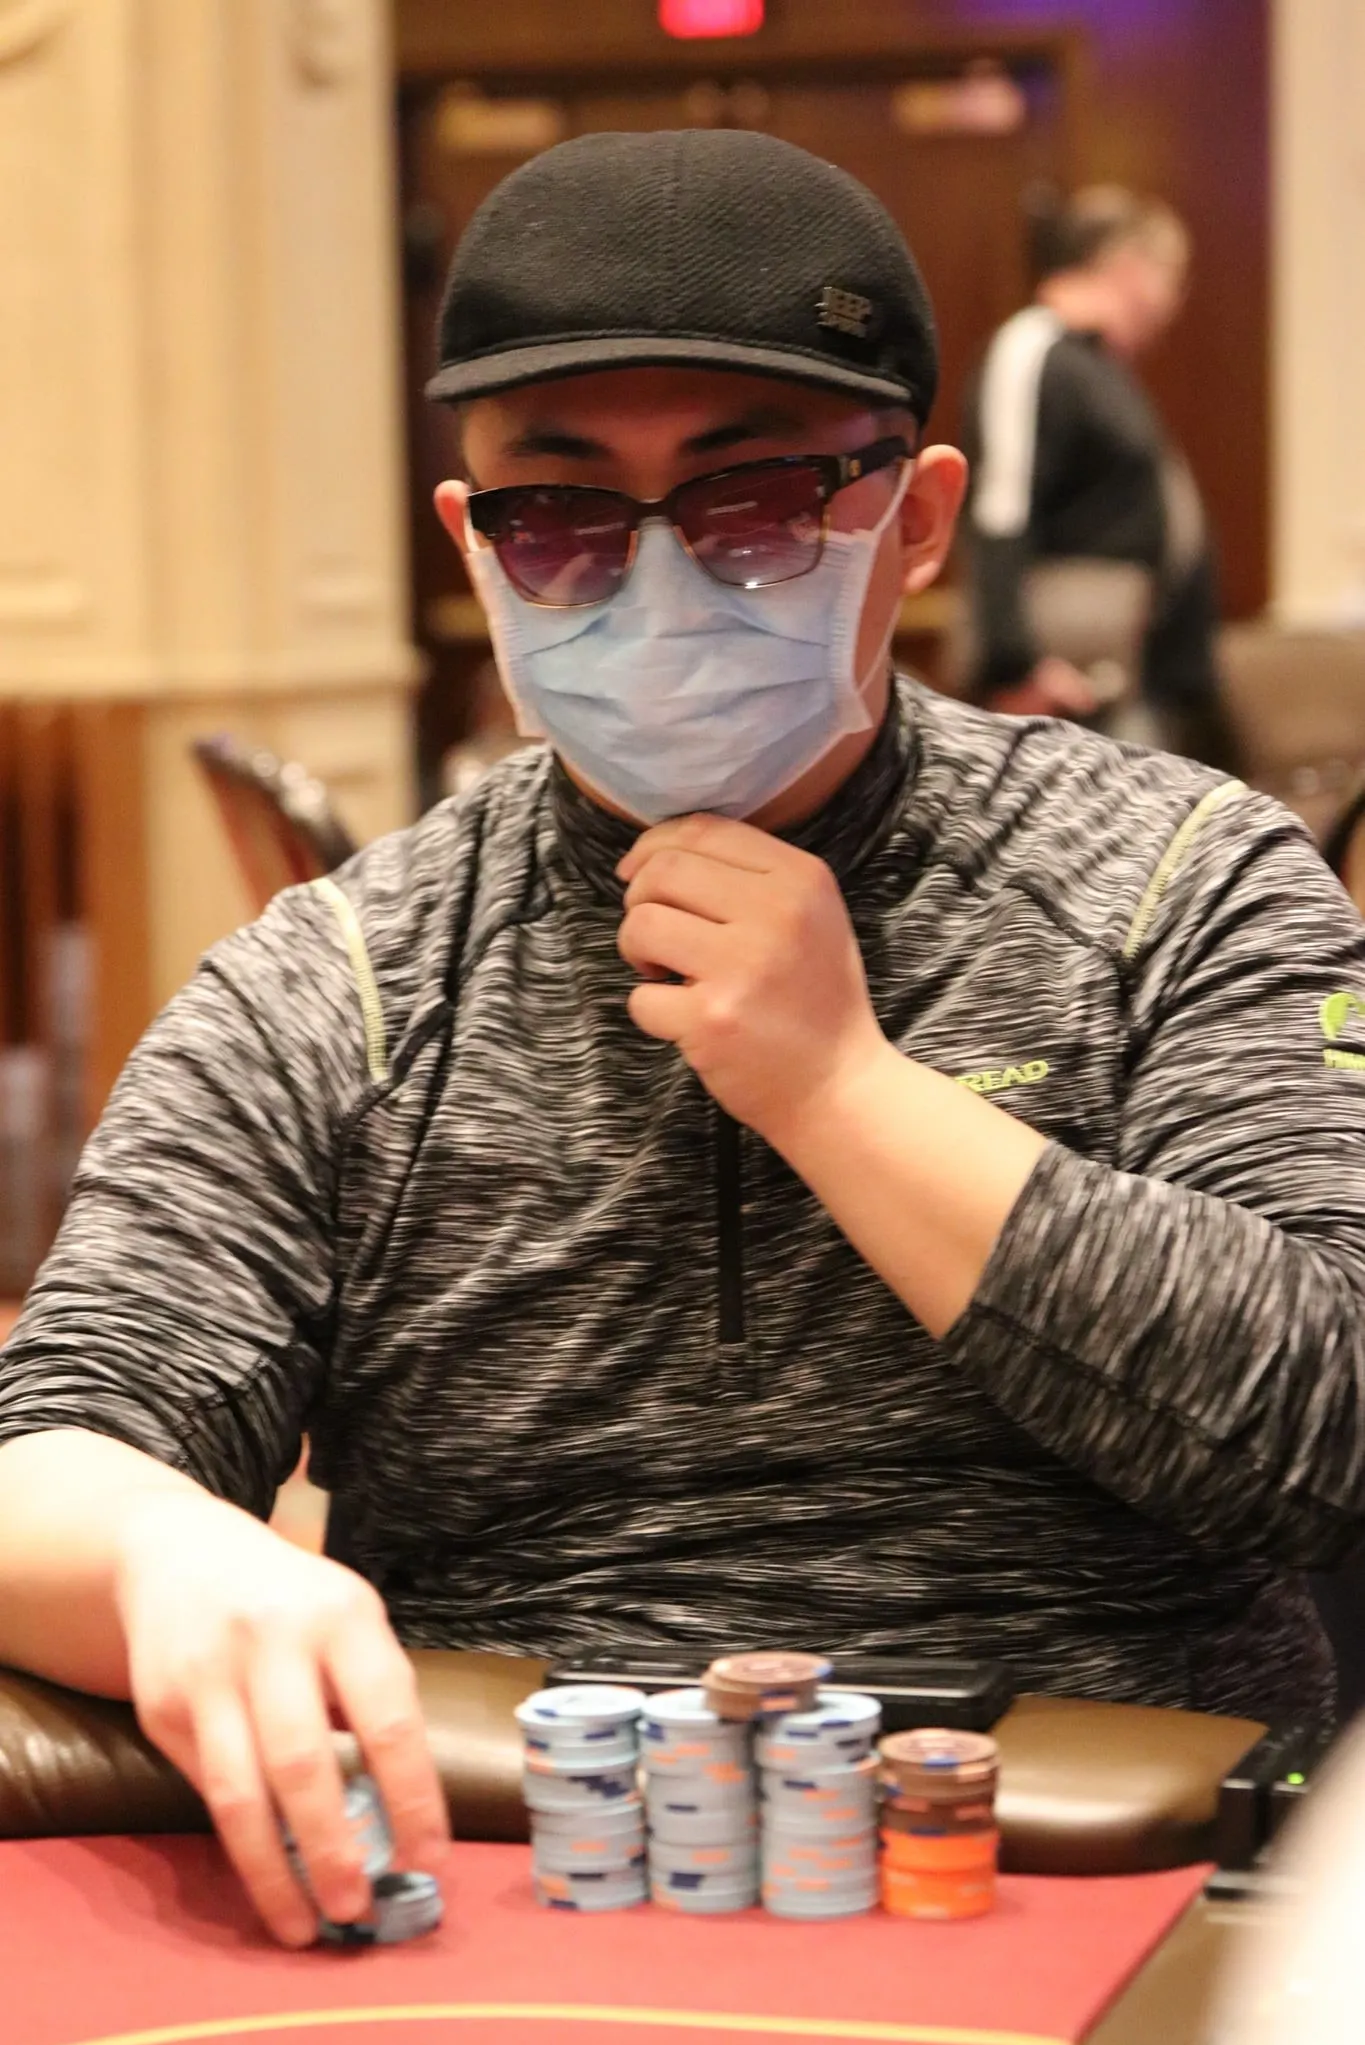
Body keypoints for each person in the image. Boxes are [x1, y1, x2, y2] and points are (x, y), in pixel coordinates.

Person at [1, 128, 1364, 1948]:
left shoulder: (1180, 880)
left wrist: (843, 1089)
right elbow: (55, 1447)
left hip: (1119, 1885)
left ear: (918, 518)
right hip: (509, 1889)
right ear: (473, 541)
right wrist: (161, 1551)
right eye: (561, 518)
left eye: (756, 502)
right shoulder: (342, 980)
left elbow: (1331, 1427)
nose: (657, 585)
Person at [960, 184, 1234, 764]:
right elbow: (1000, 508)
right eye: (1172, 278)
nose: (1173, 301)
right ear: (1132, 268)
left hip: (1129, 671)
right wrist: (1014, 664)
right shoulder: (1031, 346)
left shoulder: (1098, 365)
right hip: (1067, 678)